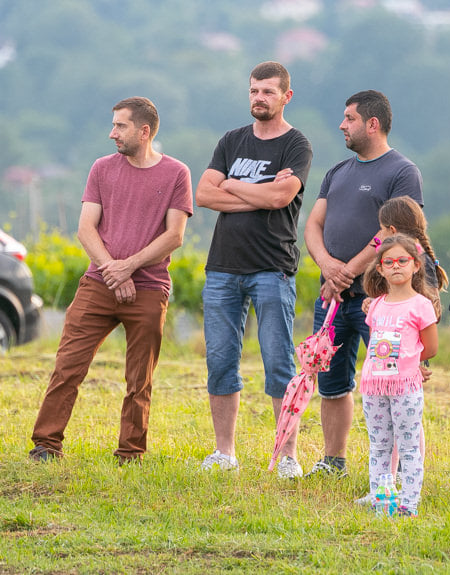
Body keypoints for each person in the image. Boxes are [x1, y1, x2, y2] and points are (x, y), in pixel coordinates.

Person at [29, 97, 193, 465]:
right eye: (113, 125)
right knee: (67, 366)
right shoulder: (102, 168)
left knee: (140, 378)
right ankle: (46, 445)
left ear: (144, 131)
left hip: (149, 289)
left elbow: (174, 236)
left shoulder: (176, 173)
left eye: (120, 126)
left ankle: (130, 453)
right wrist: (112, 270)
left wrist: (128, 267)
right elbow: (86, 229)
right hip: (98, 284)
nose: (112, 133)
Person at [196, 61, 313, 477]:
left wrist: (232, 184)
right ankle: (225, 453)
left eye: (267, 91)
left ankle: (287, 458)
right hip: (223, 269)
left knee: (279, 363)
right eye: (253, 91)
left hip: (272, 268)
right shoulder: (232, 140)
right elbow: (204, 193)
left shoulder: (296, 145)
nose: (258, 98)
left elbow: (282, 197)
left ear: (286, 96)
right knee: (221, 361)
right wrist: (257, 194)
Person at [302, 90, 423, 477]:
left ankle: (405, 470)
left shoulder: (402, 172)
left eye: (349, 118)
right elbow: (313, 224)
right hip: (332, 299)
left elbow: (396, 233)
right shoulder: (337, 172)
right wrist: (326, 266)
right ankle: (333, 460)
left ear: (373, 124)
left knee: (394, 385)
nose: (342, 125)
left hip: (381, 302)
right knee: (332, 382)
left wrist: (347, 271)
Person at [355, 234, 438, 516]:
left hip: (405, 388)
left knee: (408, 446)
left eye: (403, 260)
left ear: (415, 265)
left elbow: (431, 346)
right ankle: (382, 499)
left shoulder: (421, 305)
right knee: (379, 445)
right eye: (388, 262)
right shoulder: (376, 305)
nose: (396, 266)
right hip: (373, 386)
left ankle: (408, 503)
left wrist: (413, 362)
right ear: (380, 268)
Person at [374, 195, 448, 477]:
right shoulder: (413, 257)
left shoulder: (412, 260)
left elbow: (423, 312)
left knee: (405, 420)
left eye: (381, 229)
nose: (379, 235)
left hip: (410, 354)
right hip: (399, 352)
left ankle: (405, 476)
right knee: (399, 418)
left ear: (392, 230)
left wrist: (415, 360)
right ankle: (395, 477)